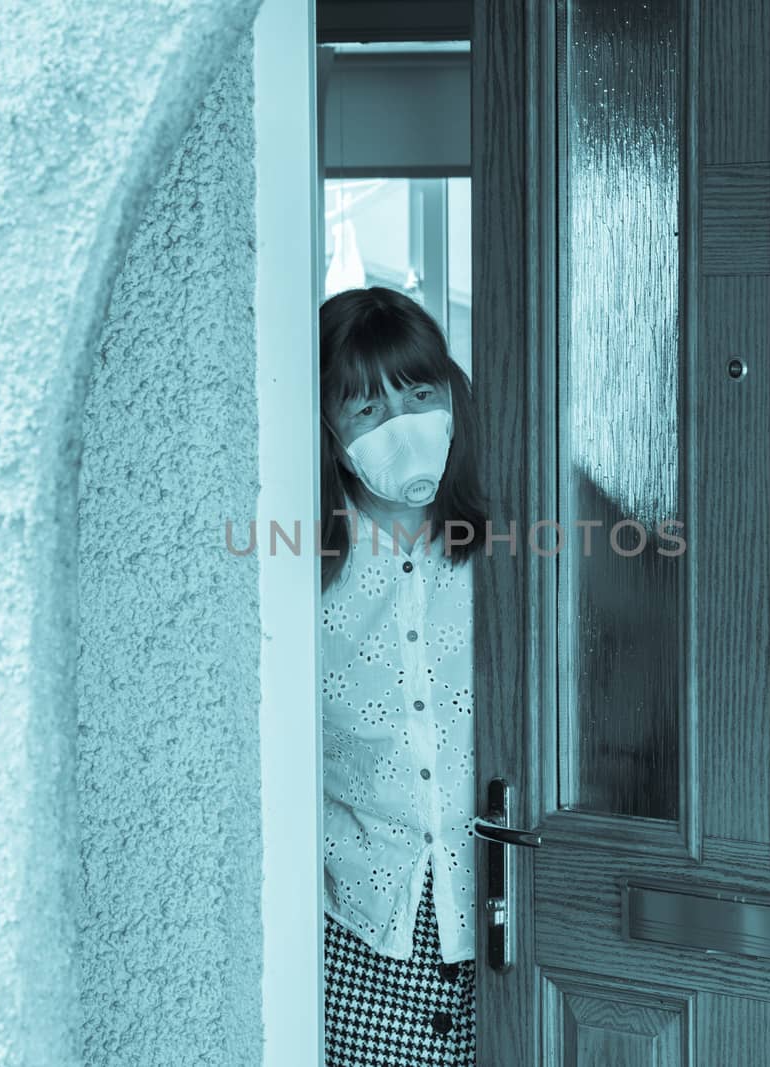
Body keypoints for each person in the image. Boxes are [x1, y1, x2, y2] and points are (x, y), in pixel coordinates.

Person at [318, 286, 488, 1066]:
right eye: (366, 409)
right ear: (329, 428)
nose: (401, 426)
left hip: (505, 920)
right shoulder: (303, 561)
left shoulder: (515, 537)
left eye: (418, 394)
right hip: (363, 929)